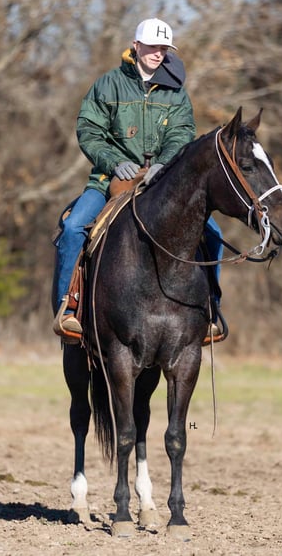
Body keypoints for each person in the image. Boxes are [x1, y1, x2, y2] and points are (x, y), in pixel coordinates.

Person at [54, 18, 224, 341]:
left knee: (212, 233)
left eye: (164, 48)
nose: (159, 53)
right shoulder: (108, 84)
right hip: (108, 181)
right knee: (74, 226)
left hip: (163, 183)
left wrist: (164, 163)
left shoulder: (176, 91)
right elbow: (88, 130)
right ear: (136, 46)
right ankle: (69, 308)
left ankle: (211, 311)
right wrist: (114, 162)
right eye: (153, 47)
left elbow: (182, 132)